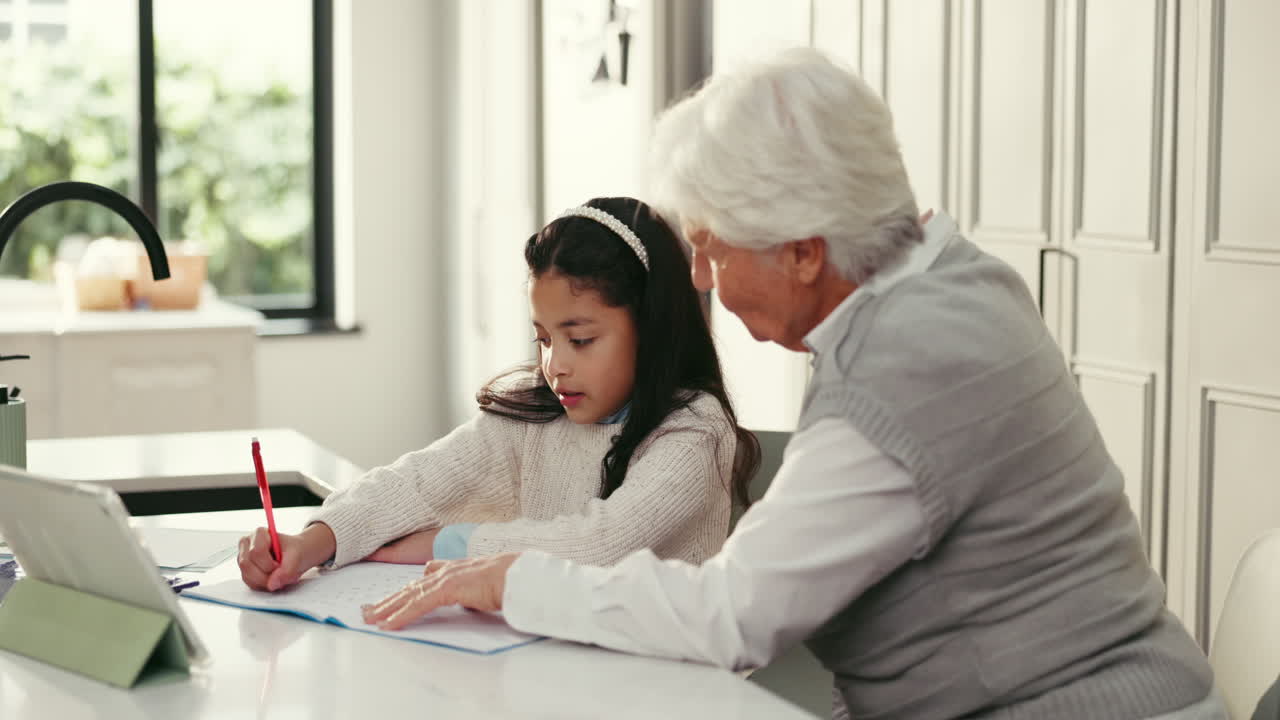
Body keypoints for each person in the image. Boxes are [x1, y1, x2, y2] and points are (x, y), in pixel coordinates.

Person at [360, 49, 1227, 720]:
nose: (699, 276)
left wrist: (508, 577)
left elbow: (734, 615)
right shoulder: (958, 277)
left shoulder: (905, 367)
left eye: (714, 247)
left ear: (805, 250)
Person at [237, 196, 760, 592]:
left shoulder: (694, 429)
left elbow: (601, 545)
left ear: (651, 327)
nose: (555, 365)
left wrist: (444, 546)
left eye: (580, 339)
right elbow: (419, 481)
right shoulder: (540, 411)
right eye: (544, 338)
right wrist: (314, 540)